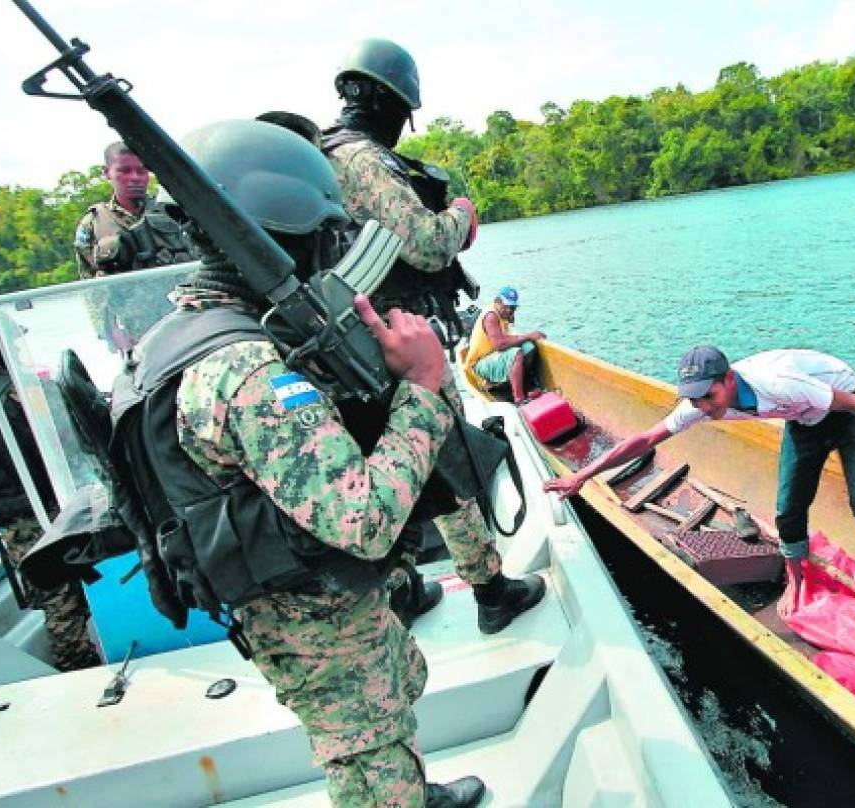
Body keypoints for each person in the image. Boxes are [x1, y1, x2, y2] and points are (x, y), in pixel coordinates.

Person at [143, 120, 483, 807]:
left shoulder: (186, 331)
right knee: (367, 750)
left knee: (386, 710)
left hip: (308, 595)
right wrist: (420, 388)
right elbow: (364, 521)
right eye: (322, 235)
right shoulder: (247, 372)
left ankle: (411, 789)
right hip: (309, 612)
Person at [321, 39, 544, 633]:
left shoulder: (322, 155)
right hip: (398, 339)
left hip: (351, 346)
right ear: (382, 99)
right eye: (401, 109)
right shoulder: (362, 159)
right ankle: (491, 590)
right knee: (446, 462)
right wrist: (461, 216)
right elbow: (424, 243)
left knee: (375, 454)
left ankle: (402, 589)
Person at [544, 345, 855, 614]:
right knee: (788, 510)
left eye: (709, 397)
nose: (703, 406)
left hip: (845, 405)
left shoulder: (780, 383)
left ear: (729, 380)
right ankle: (797, 584)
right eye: (695, 399)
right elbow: (647, 438)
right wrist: (582, 475)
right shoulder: (700, 407)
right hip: (804, 418)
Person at [0, 325, 100, 672]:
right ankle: (77, 669)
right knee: (61, 599)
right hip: (29, 511)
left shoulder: (9, 392)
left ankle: (81, 664)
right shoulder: (7, 396)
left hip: (23, 511)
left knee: (60, 596)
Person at [73, 141, 195, 350]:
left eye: (142, 170)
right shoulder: (93, 223)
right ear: (107, 173)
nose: (135, 178)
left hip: (186, 320)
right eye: (125, 171)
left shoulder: (172, 211)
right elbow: (90, 285)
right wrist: (109, 331)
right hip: (135, 331)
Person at [462, 286, 545, 401]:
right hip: (479, 364)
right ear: (497, 302)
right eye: (506, 306)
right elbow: (499, 344)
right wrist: (528, 335)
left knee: (529, 347)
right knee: (517, 354)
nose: (509, 310)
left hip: (494, 356)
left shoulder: (504, 313)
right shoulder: (491, 316)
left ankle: (527, 387)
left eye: (512, 307)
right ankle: (519, 399)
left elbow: (509, 325)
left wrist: (510, 315)